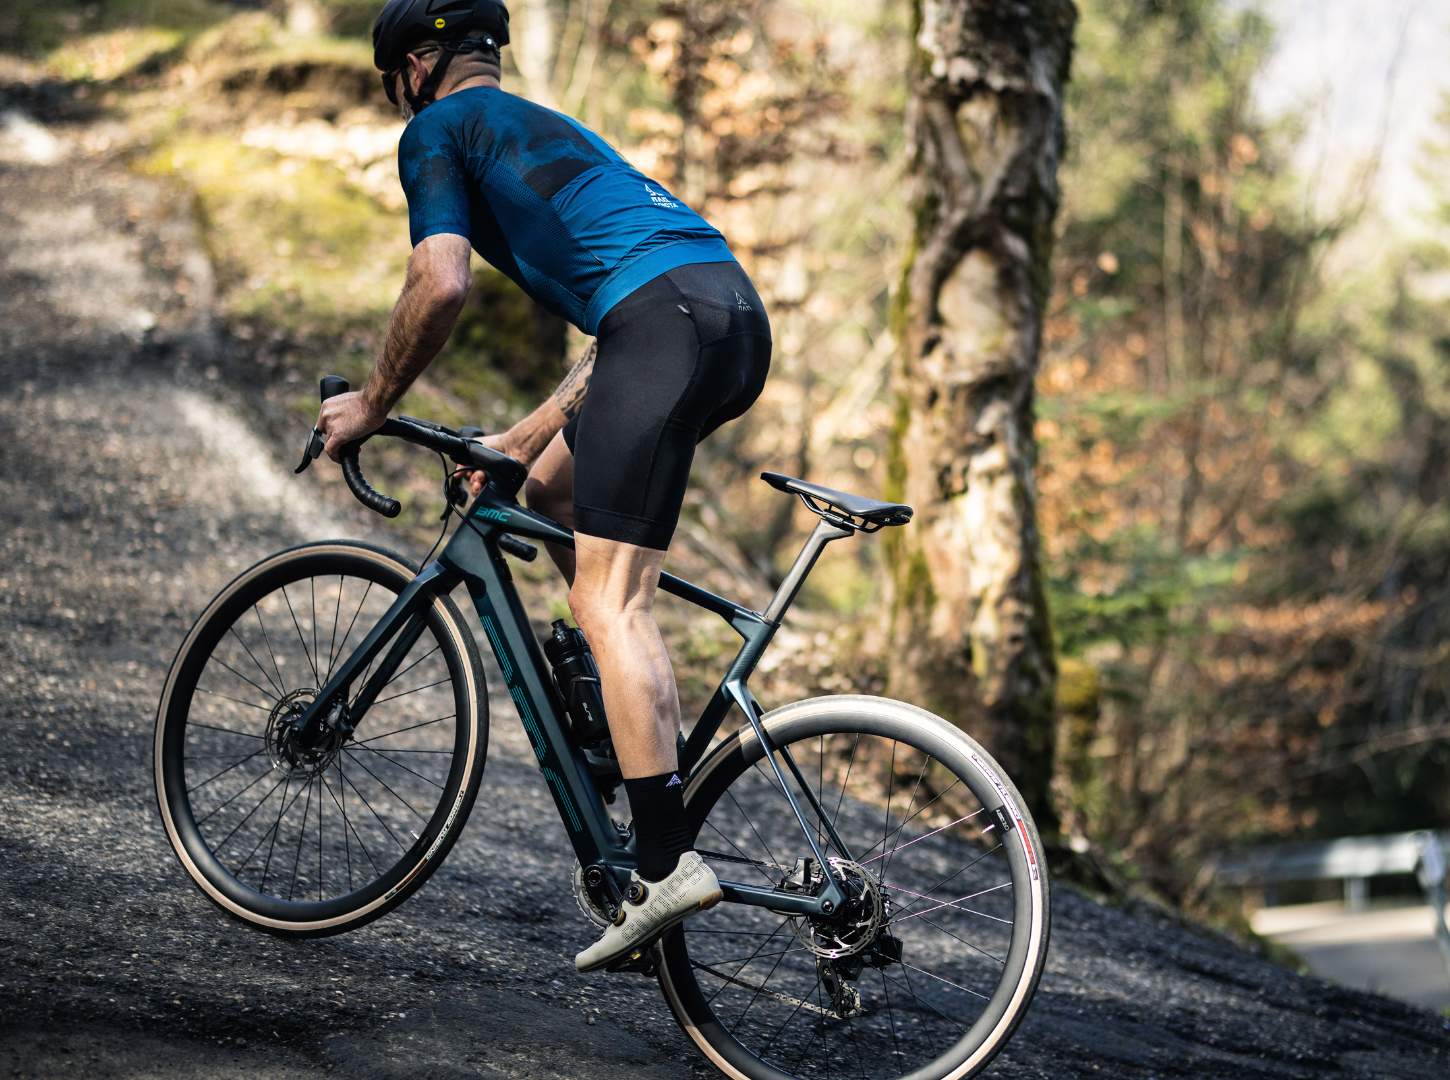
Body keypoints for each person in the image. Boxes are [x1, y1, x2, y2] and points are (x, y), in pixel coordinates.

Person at [317, 0, 772, 972]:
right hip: (726, 312)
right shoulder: (552, 131)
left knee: (612, 599)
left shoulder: (438, 131)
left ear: (418, 64)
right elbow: (624, 324)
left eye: (393, 75)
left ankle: (662, 865)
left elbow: (438, 286)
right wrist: (520, 441)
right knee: (561, 501)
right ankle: (609, 719)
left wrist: (371, 400)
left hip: (662, 330)